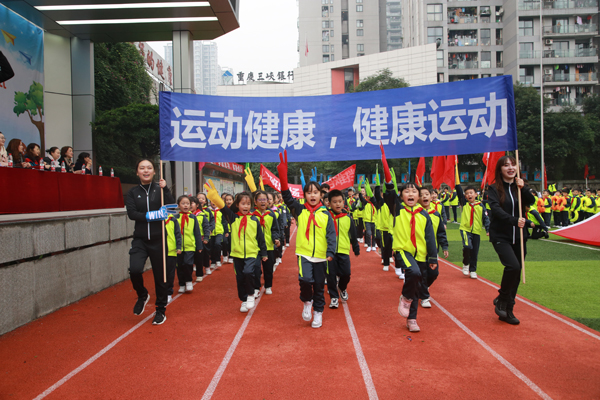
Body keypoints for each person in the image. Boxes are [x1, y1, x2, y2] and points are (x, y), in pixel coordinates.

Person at [381, 146, 437, 333]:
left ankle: (412, 318)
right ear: (402, 196)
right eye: (407, 191)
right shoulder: (398, 209)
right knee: (413, 273)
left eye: (414, 192)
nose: (411, 194)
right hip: (403, 251)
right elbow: (390, 194)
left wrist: (433, 258)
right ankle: (405, 297)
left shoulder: (424, 215)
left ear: (420, 197)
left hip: (421, 253)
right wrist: (389, 179)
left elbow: (430, 238)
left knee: (420, 281)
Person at [277, 151, 336, 329]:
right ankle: (307, 302)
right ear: (304, 195)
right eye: (309, 192)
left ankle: (318, 312)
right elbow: (287, 197)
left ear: (320, 195)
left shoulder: (326, 214)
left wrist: (330, 252)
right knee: (305, 280)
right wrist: (283, 176)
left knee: (319, 285)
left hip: (321, 256)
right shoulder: (299, 210)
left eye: (316, 192)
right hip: (303, 253)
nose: (312, 195)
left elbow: (331, 234)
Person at [125, 159, 176, 325]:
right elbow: (132, 213)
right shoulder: (132, 192)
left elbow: (171, 208)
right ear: (137, 172)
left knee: (161, 277)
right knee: (134, 269)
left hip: (159, 239)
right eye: (142, 168)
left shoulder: (159, 189)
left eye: (149, 168)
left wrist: (166, 188)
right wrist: (151, 215)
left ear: (154, 171)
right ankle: (142, 294)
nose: (145, 171)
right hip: (140, 239)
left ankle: (160, 310)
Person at [487, 155, 536, 325]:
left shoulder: (521, 187)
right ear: (500, 169)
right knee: (512, 266)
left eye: (513, 165)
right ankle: (502, 297)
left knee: (517, 274)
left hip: (520, 236)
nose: (510, 168)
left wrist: (523, 188)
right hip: (501, 235)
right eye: (506, 165)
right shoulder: (493, 189)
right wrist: (514, 220)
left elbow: (531, 201)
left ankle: (507, 309)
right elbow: (495, 210)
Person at [205, 184, 267, 313]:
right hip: (237, 254)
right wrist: (215, 197)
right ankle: (244, 300)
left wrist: (264, 253)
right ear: (237, 205)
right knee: (239, 278)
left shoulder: (254, 220)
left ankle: (250, 295)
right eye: (243, 203)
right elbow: (223, 208)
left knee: (249, 273)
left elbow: (260, 238)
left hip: (251, 253)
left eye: (248, 204)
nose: (246, 206)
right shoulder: (233, 218)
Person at [326, 189, 360, 309]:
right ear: (329, 203)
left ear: (343, 202)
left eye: (340, 201)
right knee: (330, 275)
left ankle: (342, 287)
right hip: (329, 252)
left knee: (346, 273)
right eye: (334, 202)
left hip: (344, 250)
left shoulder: (347, 218)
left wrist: (355, 247)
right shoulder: (325, 216)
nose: (338, 204)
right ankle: (334, 297)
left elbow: (353, 234)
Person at [418, 187, 449, 308]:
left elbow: (441, 232)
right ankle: (425, 297)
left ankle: (423, 287)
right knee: (422, 273)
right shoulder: (416, 214)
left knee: (433, 273)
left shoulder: (436, 214)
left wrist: (444, 246)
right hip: (419, 250)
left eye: (427, 194)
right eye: (422, 195)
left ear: (431, 197)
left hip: (432, 250)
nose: (425, 196)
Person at [456, 184, 490, 279]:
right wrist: (458, 185)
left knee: (474, 251)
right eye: (467, 193)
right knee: (467, 246)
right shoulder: (464, 203)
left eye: (471, 193)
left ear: (476, 194)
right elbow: (459, 193)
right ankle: (466, 263)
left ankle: (473, 270)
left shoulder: (480, 206)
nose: (469, 195)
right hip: (465, 229)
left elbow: (486, 218)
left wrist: (488, 229)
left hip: (476, 231)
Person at [174, 195, 206, 294]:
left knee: (188, 264)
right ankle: (182, 284)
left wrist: (199, 246)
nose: (186, 205)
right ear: (178, 205)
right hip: (178, 247)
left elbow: (197, 232)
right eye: (183, 203)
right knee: (180, 266)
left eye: (187, 203)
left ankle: (188, 281)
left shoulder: (193, 217)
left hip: (190, 246)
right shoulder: (175, 218)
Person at [252, 190, 282, 295]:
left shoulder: (271, 214)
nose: (263, 202)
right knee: (255, 268)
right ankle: (256, 287)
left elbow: (275, 229)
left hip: (268, 246)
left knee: (268, 268)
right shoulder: (252, 215)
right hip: (255, 246)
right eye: (260, 200)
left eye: (264, 199)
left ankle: (268, 285)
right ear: (255, 202)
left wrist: (276, 239)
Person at [190, 196, 211, 282]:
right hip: (189, 240)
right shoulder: (186, 216)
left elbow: (206, 227)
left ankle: (199, 273)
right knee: (189, 258)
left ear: (197, 205)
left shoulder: (202, 215)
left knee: (200, 257)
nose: (189, 205)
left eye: (191, 203)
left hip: (200, 240)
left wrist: (206, 237)